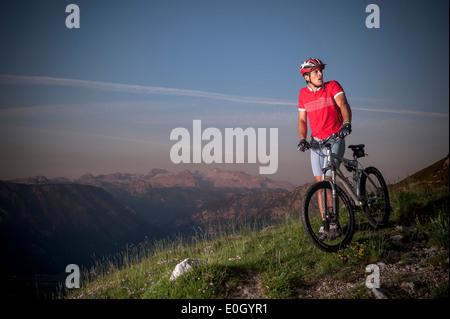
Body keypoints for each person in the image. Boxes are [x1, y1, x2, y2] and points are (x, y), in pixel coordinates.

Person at [297, 58, 352, 240]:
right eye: (315, 72)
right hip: (316, 142)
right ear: (307, 77)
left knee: (329, 180)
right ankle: (324, 224)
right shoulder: (303, 94)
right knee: (319, 184)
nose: (320, 74)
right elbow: (302, 120)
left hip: (335, 137)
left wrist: (346, 124)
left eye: (321, 71)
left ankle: (335, 222)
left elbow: (343, 103)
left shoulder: (333, 86)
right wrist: (303, 139)